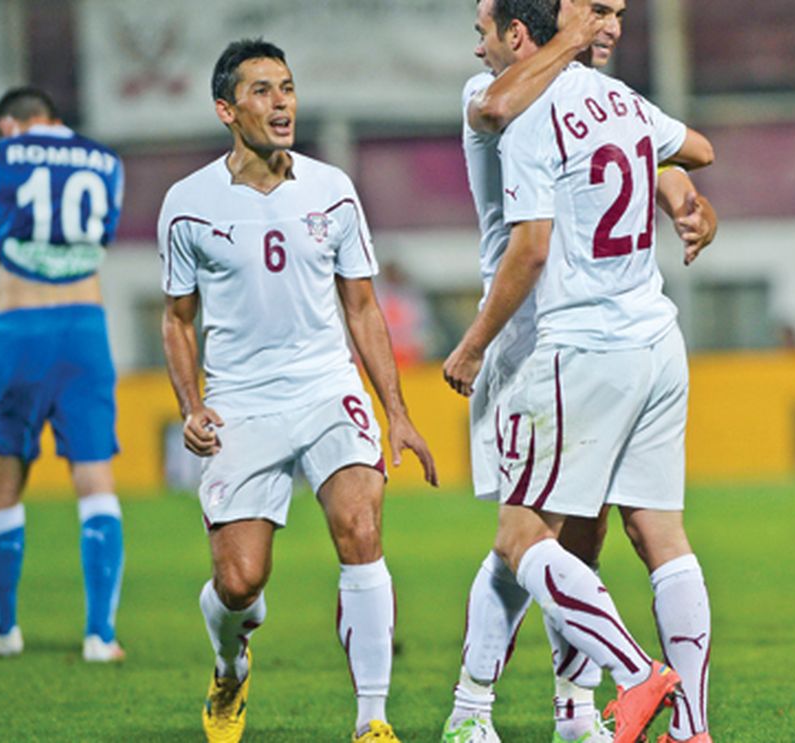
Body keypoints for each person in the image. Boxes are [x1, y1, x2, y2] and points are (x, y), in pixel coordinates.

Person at [443, 2, 717, 741]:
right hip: (646, 336)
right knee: (614, 537)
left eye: (484, 32)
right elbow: (687, 147)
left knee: (524, 537)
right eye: (600, 10)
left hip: (554, 342)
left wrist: (469, 346)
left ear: (516, 32)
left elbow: (533, 243)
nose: (478, 48)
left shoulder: (542, 110)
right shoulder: (506, 99)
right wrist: (681, 192)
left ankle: (567, 697)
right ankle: (677, 726)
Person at [157, 39, 438, 743]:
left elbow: (364, 307)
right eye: (261, 91)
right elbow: (177, 319)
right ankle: (230, 663)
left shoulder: (332, 188)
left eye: (286, 88)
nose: (281, 103)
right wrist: (191, 407)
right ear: (226, 109)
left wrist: (395, 410)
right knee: (240, 583)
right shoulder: (187, 204)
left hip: (326, 386)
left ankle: (372, 718)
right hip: (242, 401)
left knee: (361, 530)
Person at [0, 87, 127, 663]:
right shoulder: (106, 162)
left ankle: (3, 628)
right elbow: (95, 242)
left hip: (21, 327)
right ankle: (100, 637)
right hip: (86, 327)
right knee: (95, 478)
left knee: (4, 476)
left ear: (10, 123)